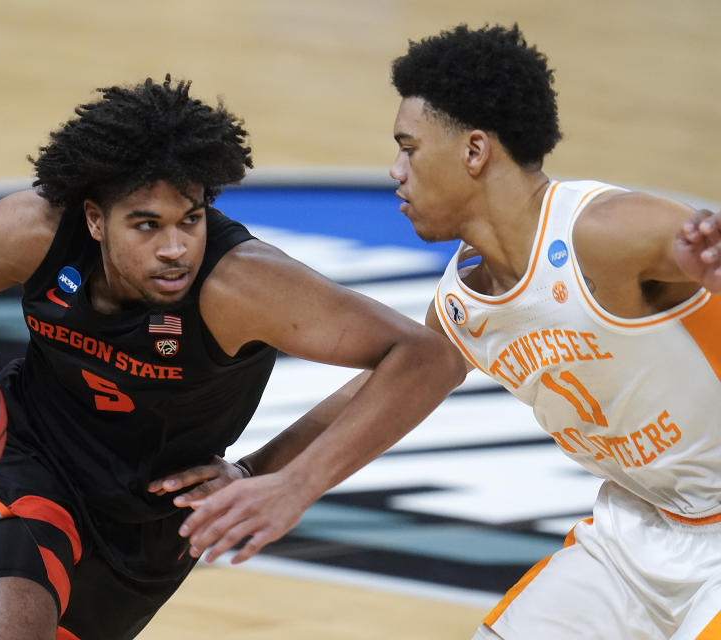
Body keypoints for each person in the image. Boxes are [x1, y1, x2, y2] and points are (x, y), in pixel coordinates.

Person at [0, 75, 465, 640]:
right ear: (95, 220)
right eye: (146, 225)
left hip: (151, 524)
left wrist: (276, 478)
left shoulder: (243, 285)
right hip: (27, 455)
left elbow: (424, 358)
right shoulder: (38, 230)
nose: (175, 248)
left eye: (190, 219)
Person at [173, 24, 721, 640]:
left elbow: (705, 250)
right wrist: (254, 475)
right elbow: (385, 391)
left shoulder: (606, 232)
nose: (395, 169)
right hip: (638, 528)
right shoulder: (465, 302)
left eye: (409, 147)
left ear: (475, 151)